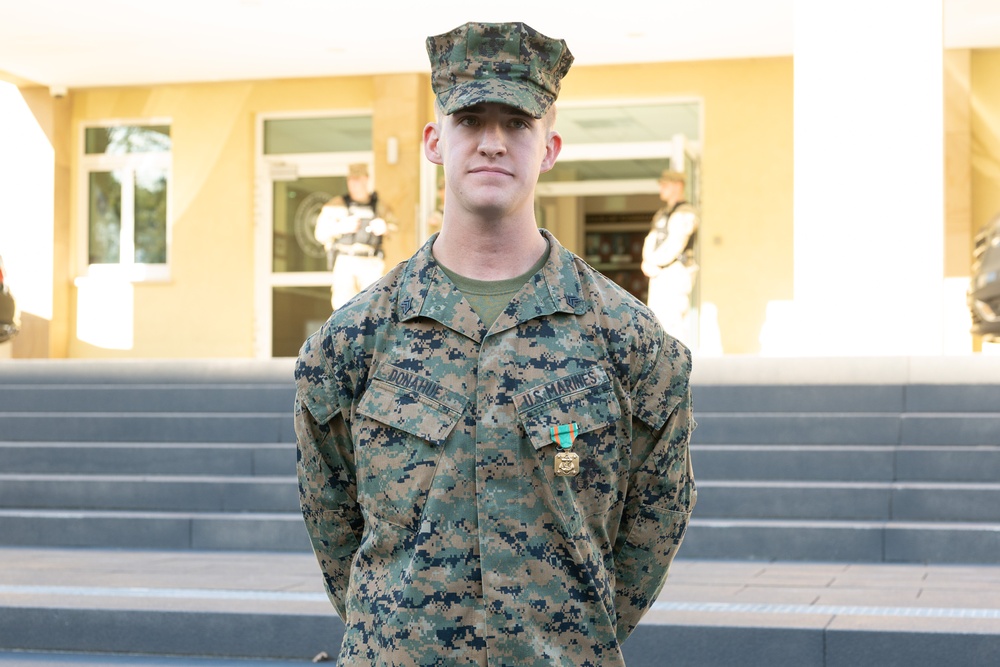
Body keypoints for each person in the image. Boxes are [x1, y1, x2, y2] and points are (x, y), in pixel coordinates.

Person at [294, 21, 696, 666]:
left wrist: (567, 636)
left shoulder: (628, 341)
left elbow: (651, 525)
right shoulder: (351, 343)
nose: (492, 143)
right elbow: (334, 521)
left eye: (516, 123)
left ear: (550, 148)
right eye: (469, 120)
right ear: (434, 141)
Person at [313, 162, 390, 309]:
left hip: (371, 262)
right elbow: (320, 233)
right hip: (345, 261)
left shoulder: (380, 205)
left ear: (366, 179)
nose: (354, 184)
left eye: (358, 179)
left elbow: (395, 226)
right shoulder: (335, 205)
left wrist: (384, 227)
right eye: (351, 180)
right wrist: (340, 227)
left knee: (373, 308)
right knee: (344, 310)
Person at [641, 169, 699, 345]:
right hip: (659, 272)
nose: (661, 188)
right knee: (659, 318)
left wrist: (655, 262)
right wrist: (647, 260)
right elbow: (651, 238)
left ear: (678, 186)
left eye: (665, 185)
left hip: (675, 271)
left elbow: (676, 243)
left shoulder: (686, 212)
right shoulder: (662, 213)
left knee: (673, 321)